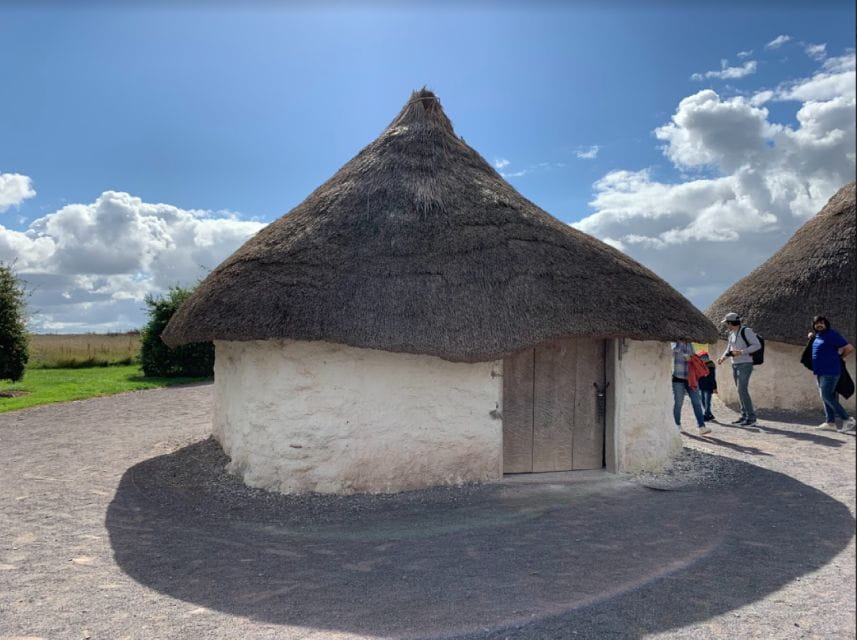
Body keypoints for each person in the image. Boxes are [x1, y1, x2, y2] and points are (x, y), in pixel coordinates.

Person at [808, 315, 856, 434]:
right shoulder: (818, 336)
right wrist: (811, 337)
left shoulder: (832, 334)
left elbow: (849, 348)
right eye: (817, 323)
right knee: (828, 396)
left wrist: (840, 357)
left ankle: (847, 419)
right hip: (820, 371)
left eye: (822, 323)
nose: (819, 325)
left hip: (831, 372)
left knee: (826, 396)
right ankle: (830, 423)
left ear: (826, 324)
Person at [716, 312, 761, 427]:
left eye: (726, 323)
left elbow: (757, 345)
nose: (726, 325)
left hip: (745, 364)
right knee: (740, 390)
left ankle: (751, 418)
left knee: (742, 389)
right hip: (735, 364)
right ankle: (744, 416)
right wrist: (722, 358)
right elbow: (728, 349)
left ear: (731, 322)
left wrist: (741, 352)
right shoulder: (731, 334)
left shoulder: (746, 331)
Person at [672, 340, 711, 435]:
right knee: (678, 403)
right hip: (678, 378)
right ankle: (677, 425)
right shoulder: (675, 342)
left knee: (697, 402)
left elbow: (693, 357)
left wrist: (692, 358)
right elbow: (673, 349)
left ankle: (701, 426)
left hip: (691, 378)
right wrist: (685, 355)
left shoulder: (690, 344)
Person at [697, 351, 718, 421]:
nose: (702, 360)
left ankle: (706, 415)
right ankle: (709, 414)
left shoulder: (710, 366)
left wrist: (714, 387)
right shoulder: (699, 366)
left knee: (707, 402)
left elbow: (712, 377)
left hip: (708, 387)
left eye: (704, 358)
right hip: (701, 386)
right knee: (702, 400)